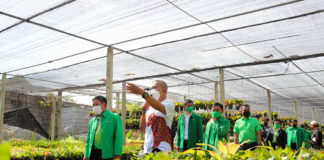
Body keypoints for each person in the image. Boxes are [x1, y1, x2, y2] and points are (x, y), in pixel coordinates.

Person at [126, 80, 175, 153]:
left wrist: (142, 92)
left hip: (162, 148)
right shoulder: (150, 109)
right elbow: (143, 129)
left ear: (164, 90)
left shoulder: (168, 104)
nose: (152, 90)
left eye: (155, 87)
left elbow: (158, 106)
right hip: (148, 149)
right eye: (151, 88)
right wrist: (144, 112)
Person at [84, 96, 123, 160]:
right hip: (93, 153)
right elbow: (88, 139)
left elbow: (118, 137)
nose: (94, 107)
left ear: (104, 104)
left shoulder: (114, 117)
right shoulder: (92, 121)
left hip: (108, 155)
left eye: (96, 104)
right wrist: (86, 154)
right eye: (93, 105)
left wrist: (117, 154)